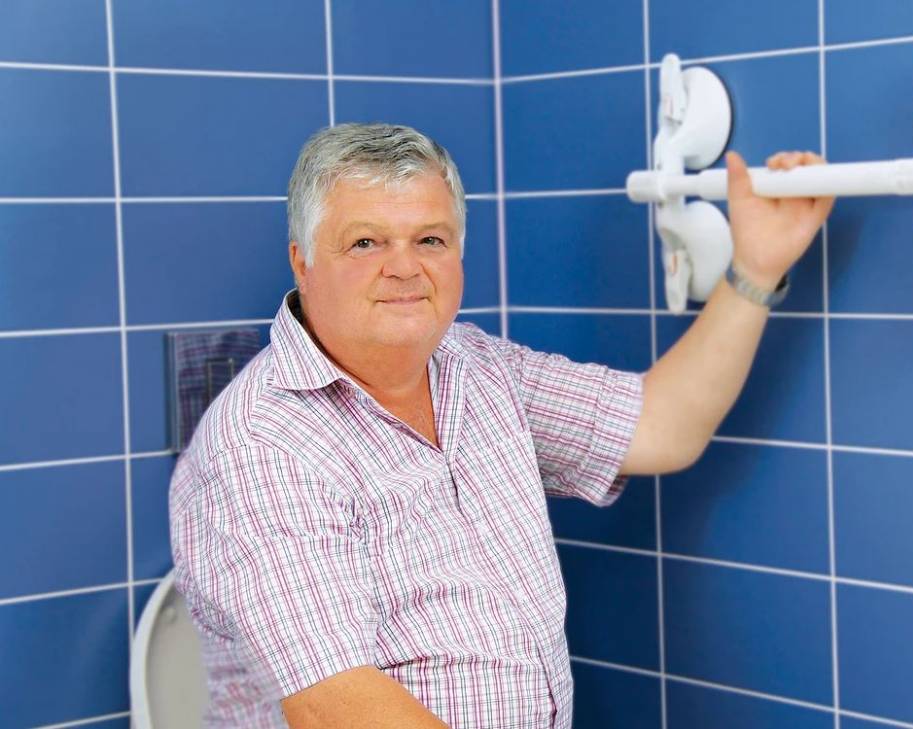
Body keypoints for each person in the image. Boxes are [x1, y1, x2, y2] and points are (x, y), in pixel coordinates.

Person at [170, 122, 833, 728]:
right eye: (366, 242)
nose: (403, 267)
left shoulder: (479, 368)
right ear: (303, 261)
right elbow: (335, 707)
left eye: (430, 239)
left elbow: (661, 425)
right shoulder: (264, 445)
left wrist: (757, 268)